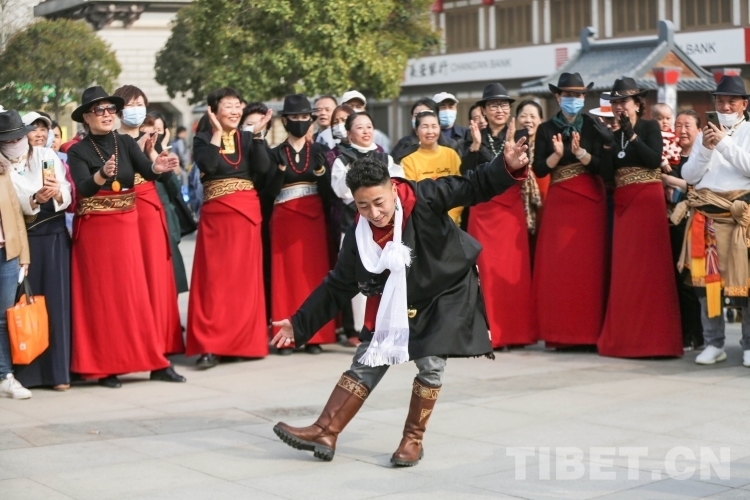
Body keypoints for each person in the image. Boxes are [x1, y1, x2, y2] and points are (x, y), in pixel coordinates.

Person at [271, 125, 529, 466]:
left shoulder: (425, 197)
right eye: (363, 206)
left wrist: (505, 166)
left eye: (379, 202)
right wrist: (299, 322)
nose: (374, 213)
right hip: (398, 298)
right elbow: (337, 286)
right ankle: (325, 430)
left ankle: (412, 440)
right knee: (368, 358)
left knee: (431, 362)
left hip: (445, 288)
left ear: (392, 188)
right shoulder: (359, 237)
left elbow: (473, 185)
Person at [67, 86, 181, 388]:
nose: (107, 115)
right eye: (99, 110)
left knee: (135, 296)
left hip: (126, 225)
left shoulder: (125, 142)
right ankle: (106, 367)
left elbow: (148, 171)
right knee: (103, 299)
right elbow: (83, 188)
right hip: (96, 231)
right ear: (87, 117)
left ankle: (155, 363)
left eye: (110, 109)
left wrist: (158, 165)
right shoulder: (77, 150)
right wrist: (102, 175)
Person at [187, 87, 273, 369]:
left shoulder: (247, 138)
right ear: (213, 110)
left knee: (243, 282)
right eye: (228, 106)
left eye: (238, 106)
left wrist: (258, 135)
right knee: (214, 283)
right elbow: (209, 165)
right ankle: (210, 346)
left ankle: (240, 344)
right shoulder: (202, 139)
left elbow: (263, 168)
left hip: (246, 215)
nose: (235, 111)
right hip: (217, 219)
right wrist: (215, 132)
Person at [597, 78, 682, 358]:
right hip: (624, 203)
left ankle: (657, 341)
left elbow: (653, 159)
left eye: (624, 101)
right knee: (626, 270)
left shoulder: (649, 127)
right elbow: (607, 175)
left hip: (647, 200)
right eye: (615, 102)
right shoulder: (613, 133)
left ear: (637, 104)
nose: (619, 107)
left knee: (652, 268)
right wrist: (607, 145)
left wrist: (631, 135)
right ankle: (626, 338)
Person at [531, 73, 610, 349]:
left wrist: (580, 154)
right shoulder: (545, 129)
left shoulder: (593, 124)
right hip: (560, 201)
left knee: (589, 269)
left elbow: (602, 165)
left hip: (590, 201)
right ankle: (561, 334)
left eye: (578, 95)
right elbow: (539, 168)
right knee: (560, 269)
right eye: (568, 95)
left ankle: (589, 333)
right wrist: (556, 155)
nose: (573, 99)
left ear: (584, 97)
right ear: (557, 97)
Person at [113, 85, 186, 375]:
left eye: (140, 103)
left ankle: (161, 356)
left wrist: (159, 159)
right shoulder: (110, 142)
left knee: (158, 283)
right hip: (122, 214)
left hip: (151, 214)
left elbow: (172, 187)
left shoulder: (152, 142)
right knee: (128, 287)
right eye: (130, 104)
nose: (136, 109)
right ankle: (124, 355)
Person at [680, 76, 750, 366]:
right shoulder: (704, 135)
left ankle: (749, 344)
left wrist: (723, 144)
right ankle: (713, 342)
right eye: (720, 101)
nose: (725, 106)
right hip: (707, 215)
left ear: (744, 104)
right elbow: (688, 175)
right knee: (706, 283)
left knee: (745, 282)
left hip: (738, 216)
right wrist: (707, 149)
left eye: (731, 101)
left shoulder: (748, 131)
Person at [462, 82, 536, 349]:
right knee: (486, 272)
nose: (499, 110)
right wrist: (475, 146)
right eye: (493, 105)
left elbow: (524, 168)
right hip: (483, 209)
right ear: (483, 109)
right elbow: (466, 171)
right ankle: (490, 333)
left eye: (504, 105)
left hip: (510, 211)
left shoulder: (520, 134)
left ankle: (516, 333)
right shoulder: (474, 134)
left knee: (513, 272)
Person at [266, 94, 336, 355]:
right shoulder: (275, 153)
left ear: (311, 120)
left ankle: (314, 335)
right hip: (284, 219)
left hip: (313, 220)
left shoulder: (319, 151)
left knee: (313, 276)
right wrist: (279, 173)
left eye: (304, 117)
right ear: (285, 121)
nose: (299, 121)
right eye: (294, 117)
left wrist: (321, 173)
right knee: (285, 278)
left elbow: (330, 194)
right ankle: (285, 338)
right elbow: (268, 192)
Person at [8, 110, 73, 390]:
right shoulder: (8, 161)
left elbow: (67, 192)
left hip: (55, 236)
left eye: (43, 128)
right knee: (25, 303)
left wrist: (57, 192)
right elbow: (13, 200)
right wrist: (34, 199)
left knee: (56, 304)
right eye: (33, 128)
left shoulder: (48, 157)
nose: (39, 133)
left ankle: (59, 373)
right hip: (26, 238)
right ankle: (28, 373)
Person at [331, 112, 404, 348]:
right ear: (349, 133)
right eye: (359, 127)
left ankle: (388, 327)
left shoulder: (385, 157)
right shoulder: (342, 158)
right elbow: (342, 191)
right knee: (358, 279)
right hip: (353, 225)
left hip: (385, 228)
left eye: (369, 126)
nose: (366, 131)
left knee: (389, 277)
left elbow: (397, 184)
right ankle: (358, 329)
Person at [662, 110, 703, 350]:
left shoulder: (703, 157)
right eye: (678, 125)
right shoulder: (670, 157)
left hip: (697, 224)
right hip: (672, 224)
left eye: (688, 125)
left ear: (699, 130)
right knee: (676, 281)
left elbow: (698, 188)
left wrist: (669, 180)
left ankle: (698, 334)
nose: (682, 130)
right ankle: (683, 332)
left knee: (692, 281)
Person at [0, 112, 33, 399]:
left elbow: (15, 213)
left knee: (4, 317)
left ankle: (5, 376)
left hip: (7, 253)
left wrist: (24, 254)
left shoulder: (3, 170)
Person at [400, 110, 462, 224]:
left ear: (439, 128)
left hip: (452, 224)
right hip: (423, 223)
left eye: (434, 126)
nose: (430, 131)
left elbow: (460, 189)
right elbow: (411, 197)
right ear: (416, 130)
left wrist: (450, 219)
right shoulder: (408, 161)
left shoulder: (451, 155)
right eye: (425, 127)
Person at [515, 100, 548, 239]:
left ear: (541, 120)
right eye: (523, 116)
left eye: (533, 116)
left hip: (544, 203)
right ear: (516, 119)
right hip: (516, 208)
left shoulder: (548, 147)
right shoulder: (510, 147)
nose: (528, 120)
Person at [391, 98, 460, 164]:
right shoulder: (403, 144)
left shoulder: (451, 146)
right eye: (416, 115)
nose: (421, 119)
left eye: (426, 114)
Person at [653, 104, 682, 171]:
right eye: (660, 119)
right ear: (653, 120)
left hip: (677, 162)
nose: (665, 122)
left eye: (668, 118)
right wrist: (664, 163)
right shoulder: (657, 134)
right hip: (667, 164)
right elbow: (658, 151)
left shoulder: (672, 132)